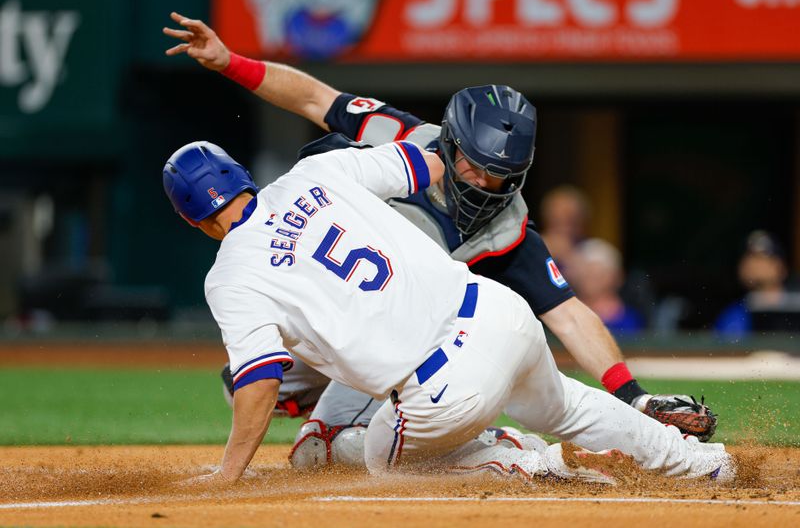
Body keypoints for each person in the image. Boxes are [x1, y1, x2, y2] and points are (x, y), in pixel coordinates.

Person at [162, 12, 717, 466]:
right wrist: (229, 62)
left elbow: (570, 315)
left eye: (500, 173)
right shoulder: (398, 136)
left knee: (317, 441)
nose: (484, 181)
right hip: (392, 319)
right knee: (257, 382)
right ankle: (694, 462)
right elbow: (313, 97)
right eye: (473, 165)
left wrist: (633, 393)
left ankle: (511, 455)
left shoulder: (505, 223)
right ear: (447, 144)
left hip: (417, 342)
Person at [162, 139, 733, 485]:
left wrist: (228, 472)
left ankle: (526, 463)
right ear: (241, 175)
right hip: (497, 310)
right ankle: (704, 464)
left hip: (444, 382)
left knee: (386, 463)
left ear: (191, 221)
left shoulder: (231, 274)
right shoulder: (315, 174)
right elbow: (429, 164)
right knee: (568, 403)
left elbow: (260, 381)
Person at [715, 230, 794, 335]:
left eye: (761, 257)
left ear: (780, 267)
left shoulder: (795, 309)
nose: (752, 263)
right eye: (748, 256)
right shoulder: (734, 314)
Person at [570, 238, 645, 335]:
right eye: (586, 273)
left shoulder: (632, 320)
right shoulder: (565, 317)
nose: (590, 278)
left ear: (617, 277)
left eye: (598, 274)